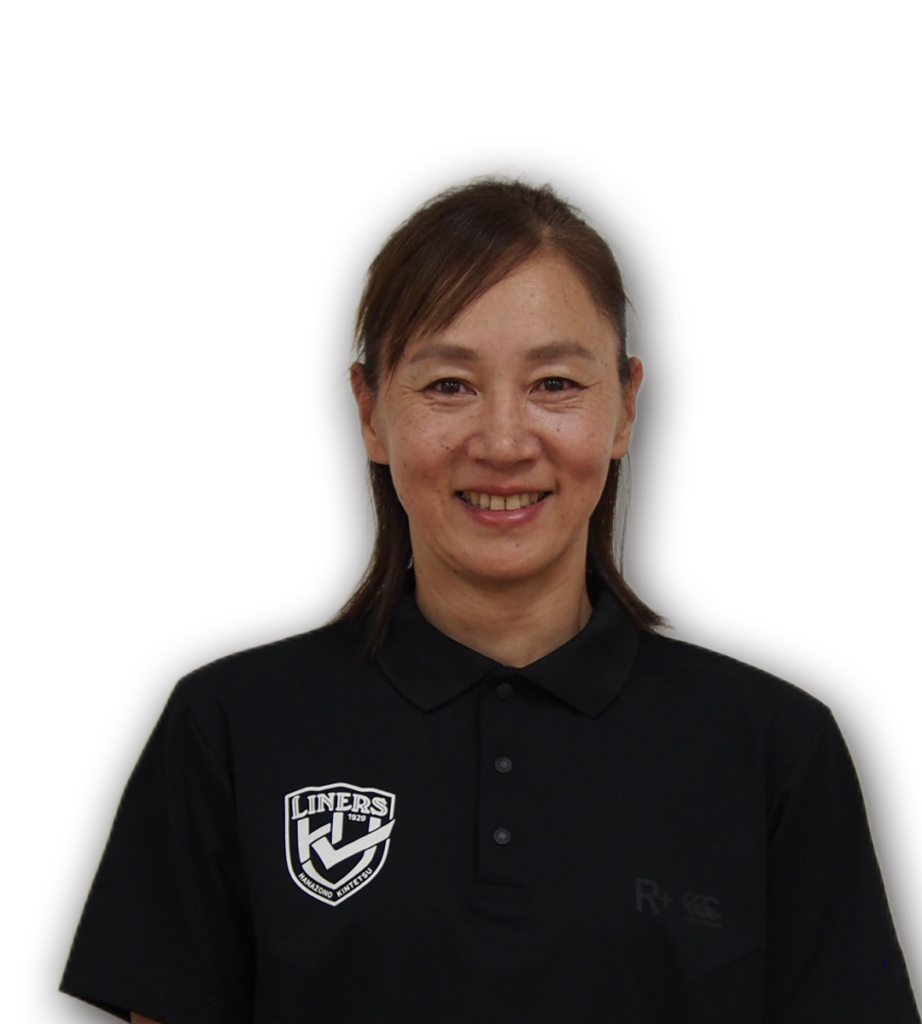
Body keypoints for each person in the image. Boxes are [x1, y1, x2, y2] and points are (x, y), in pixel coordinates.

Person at [61, 179, 919, 1023]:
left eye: (555, 383)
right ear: (370, 412)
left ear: (626, 408)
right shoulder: (231, 727)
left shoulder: (772, 748)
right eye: (448, 385)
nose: (504, 442)